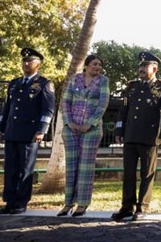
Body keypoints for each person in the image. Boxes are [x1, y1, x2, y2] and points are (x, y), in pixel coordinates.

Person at [111, 52, 161, 221]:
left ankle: (142, 207)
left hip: (149, 137)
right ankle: (127, 206)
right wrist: (119, 131)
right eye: (140, 66)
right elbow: (124, 110)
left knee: (147, 174)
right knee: (128, 173)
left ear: (155, 69)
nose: (142, 69)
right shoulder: (132, 86)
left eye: (145, 66)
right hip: (130, 135)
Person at [0, 48, 55, 214]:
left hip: (30, 133)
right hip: (12, 131)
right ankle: (10, 201)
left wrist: (41, 130)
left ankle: (21, 202)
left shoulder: (44, 84)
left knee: (25, 169)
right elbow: (7, 108)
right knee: (10, 169)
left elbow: (48, 110)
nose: (26, 64)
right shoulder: (14, 83)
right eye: (24, 61)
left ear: (38, 64)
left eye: (30, 61)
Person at [57, 54, 110, 217]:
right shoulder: (75, 79)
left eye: (100, 65)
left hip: (91, 130)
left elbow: (103, 104)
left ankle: (82, 204)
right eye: (94, 64)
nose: (97, 67)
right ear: (86, 65)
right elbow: (65, 101)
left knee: (86, 167)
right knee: (71, 166)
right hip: (71, 128)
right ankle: (68, 203)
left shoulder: (103, 81)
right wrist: (69, 122)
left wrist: (90, 123)